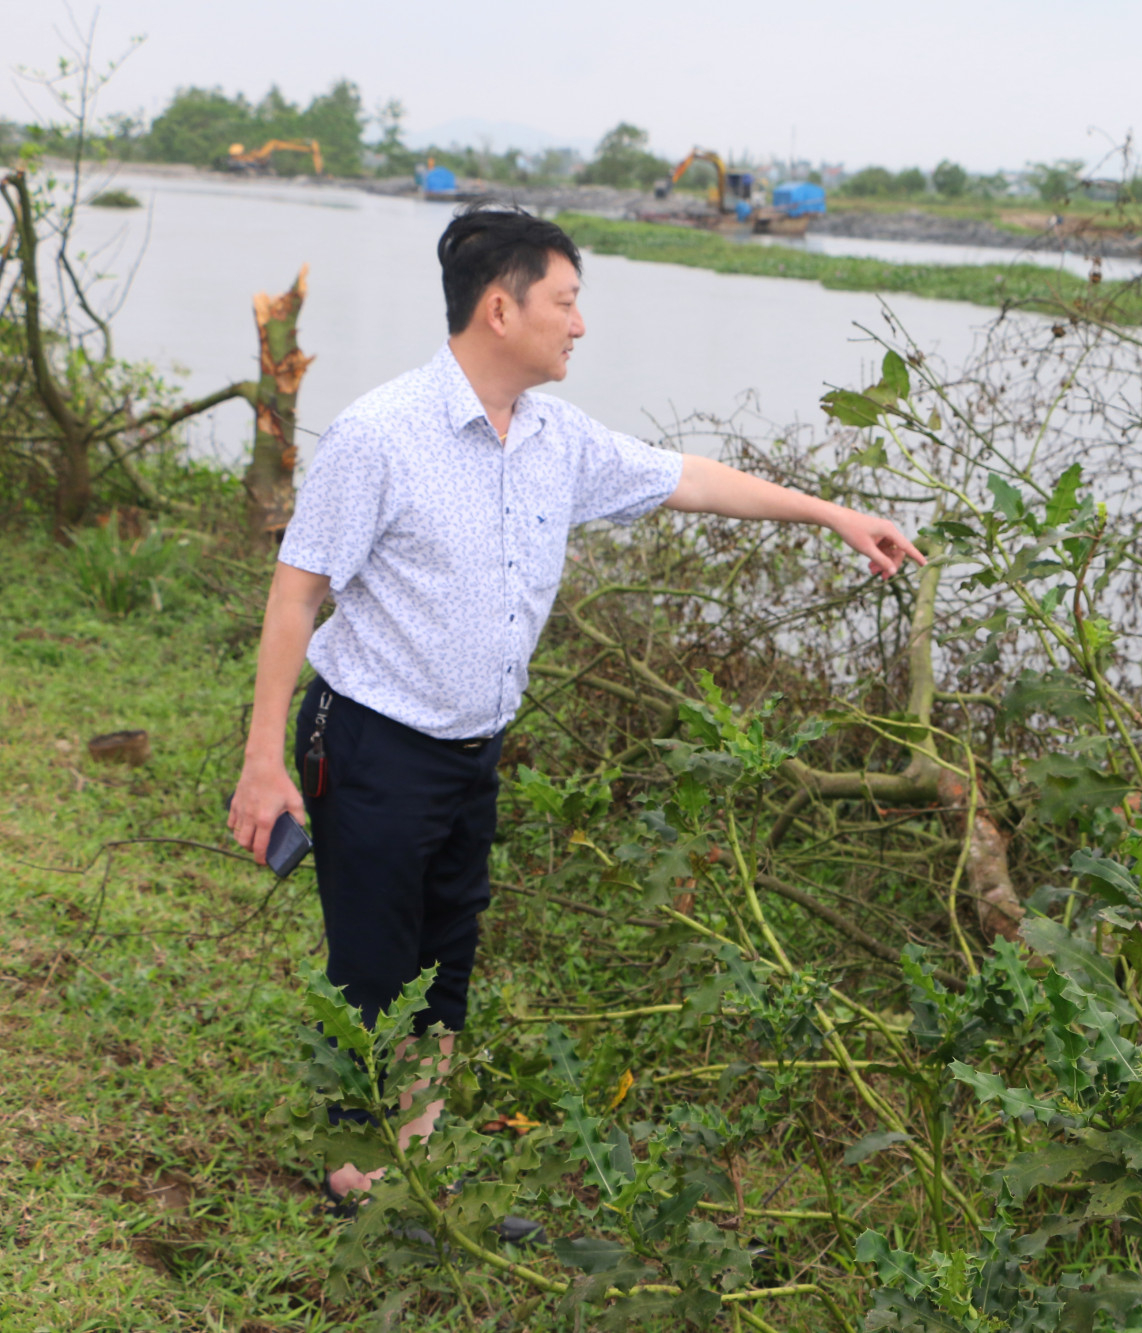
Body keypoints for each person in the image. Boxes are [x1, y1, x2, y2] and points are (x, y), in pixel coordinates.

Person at [227, 207, 924, 1206]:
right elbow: (297, 591)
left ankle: (411, 1178)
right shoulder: (381, 434)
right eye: (566, 301)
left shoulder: (556, 438)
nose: (579, 325)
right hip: (372, 741)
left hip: (472, 750)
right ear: (500, 308)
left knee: (444, 966)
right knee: (374, 971)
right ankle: (357, 1182)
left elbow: (686, 478)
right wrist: (263, 759)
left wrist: (831, 514)